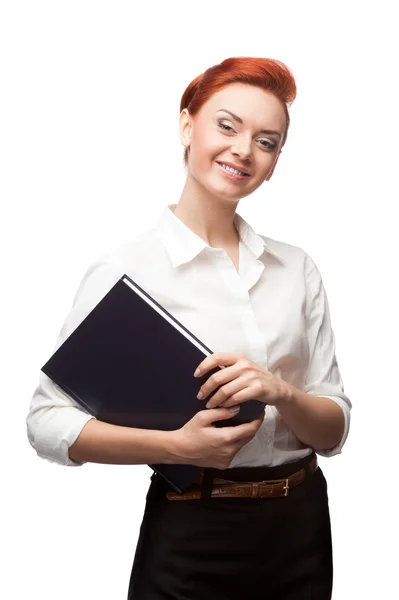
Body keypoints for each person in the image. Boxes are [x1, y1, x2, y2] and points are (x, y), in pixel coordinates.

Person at [27, 57, 351, 599]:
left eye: (266, 141)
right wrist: (177, 446)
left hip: (301, 529)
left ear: (275, 162)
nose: (244, 150)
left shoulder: (296, 269)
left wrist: (282, 392)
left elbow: (335, 429)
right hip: (188, 533)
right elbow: (45, 423)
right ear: (186, 125)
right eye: (227, 126)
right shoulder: (127, 270)